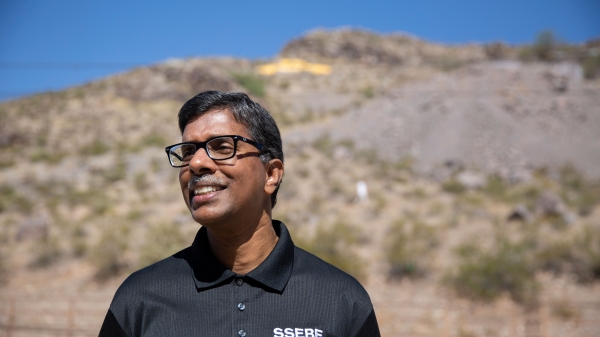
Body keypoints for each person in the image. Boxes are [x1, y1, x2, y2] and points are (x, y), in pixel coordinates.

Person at [99, 91, 380, 337]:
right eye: (187, 152)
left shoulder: (341, 300)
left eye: (222, 147)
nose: (196, 163)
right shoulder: (141, 298)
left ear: (271, 174)